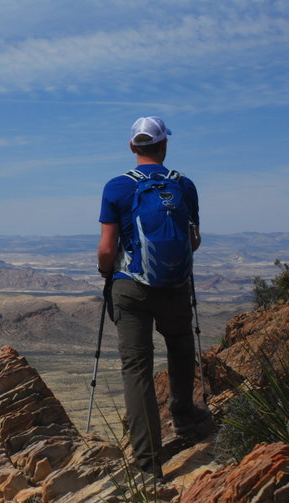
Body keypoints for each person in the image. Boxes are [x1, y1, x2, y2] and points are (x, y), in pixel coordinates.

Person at [96, 116, 210, 478]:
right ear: (165, 145)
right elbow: (193, 239)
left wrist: (106, 272)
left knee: (137, 368)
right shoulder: (184, 185)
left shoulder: (117, 187)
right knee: (179, 346)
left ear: (132, 147)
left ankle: (148, 464)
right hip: (174, 286)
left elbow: (106, 248)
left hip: (130, 286)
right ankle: (184, 414)